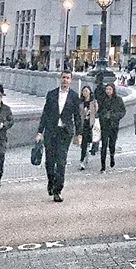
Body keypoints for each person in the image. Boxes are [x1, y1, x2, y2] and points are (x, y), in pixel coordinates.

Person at [36, 70, 82, 202]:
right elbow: (45, 114)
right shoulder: (51, 94)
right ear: (60, 79)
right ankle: (51, 181)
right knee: (49, 161)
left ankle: (58, 190)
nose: (65, 80)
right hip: (51, 131)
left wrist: (79, 134)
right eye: (63, 77)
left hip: (65, 133)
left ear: (71, 80)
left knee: (61, 162)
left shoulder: (74, 96)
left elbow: (77, 117)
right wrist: (40, 132)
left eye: (68, 78)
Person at [98, 82, 126, 171]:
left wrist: (115, 116)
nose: (108, 91)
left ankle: (112, 157)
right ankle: (103, 164)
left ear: (113, 90)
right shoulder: (102, 99)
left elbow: (123, 111)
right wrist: (103, 116)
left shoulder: (118, 99)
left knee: (112, 144)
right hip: (104, 125)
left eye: (110, 89)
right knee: (104, 145)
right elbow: (98, 111)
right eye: (107, 89)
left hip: (114, 125)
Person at [78, 85, 98, 170]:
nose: (85, 93)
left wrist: (90, 113)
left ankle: (86, 153)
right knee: (83, 144)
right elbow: (78, 113)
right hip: (83, 125)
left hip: (91, 125)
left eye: (86, 91)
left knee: (88, 142)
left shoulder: (93, 102)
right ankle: (82, 160)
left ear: (90, 92)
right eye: (83, 91)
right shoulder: (80, 103)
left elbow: (97, 113)